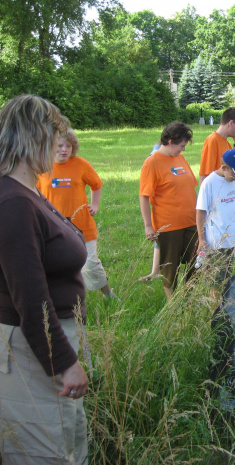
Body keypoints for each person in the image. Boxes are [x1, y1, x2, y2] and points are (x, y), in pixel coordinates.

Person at [0, 94, 88, 463]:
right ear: (35, 136)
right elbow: (30, 294)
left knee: (68, 437)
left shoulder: (30, 190)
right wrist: (64, 362)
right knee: (45, 450)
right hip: (30, 348)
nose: (59, 144)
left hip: (47, 341)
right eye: (55, 135)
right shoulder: (14, 202)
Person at [37, 127, 118, 300]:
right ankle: (63, 300)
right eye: (59, 146)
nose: (64, 150)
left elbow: (96, 184)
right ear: (49, 146)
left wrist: (94, 204)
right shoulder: (42, 166)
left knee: (90, 264)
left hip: (82, 225)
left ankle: (108, 295)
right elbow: (34, 194)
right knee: (57, 265)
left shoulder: (81, 164)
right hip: (52, 227)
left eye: (68, 146)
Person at [139, 122, 198, 299]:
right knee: (170, 268)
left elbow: (190, 186)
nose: (183, 150)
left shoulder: (179, 158)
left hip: (191, 221)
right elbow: (144, 196)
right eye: (181, 146)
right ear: (171, 142)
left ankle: (190, 301)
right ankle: (172, 305)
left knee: (194, 264)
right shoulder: (152, 162)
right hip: (169, 225)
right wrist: (148, 226)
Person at [196, 149, 235, 286]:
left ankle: (221, 301)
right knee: (218, 279)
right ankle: (216, 304)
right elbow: (200, 212)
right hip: (217, 240)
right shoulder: (209, 183)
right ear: (224, 168)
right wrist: (201, 239)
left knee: (226, 274)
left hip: (232, 238)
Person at [199, 107, 235, 184]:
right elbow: (206, 174)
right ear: (230, 123)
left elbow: (233, 167)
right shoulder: (212, 140)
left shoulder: (226, 143)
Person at [139, 141, 163, 282]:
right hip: (159, 204)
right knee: (157, 238)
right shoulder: (155, 157)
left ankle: (155, 271)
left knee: (157, 239)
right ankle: (154, 271)